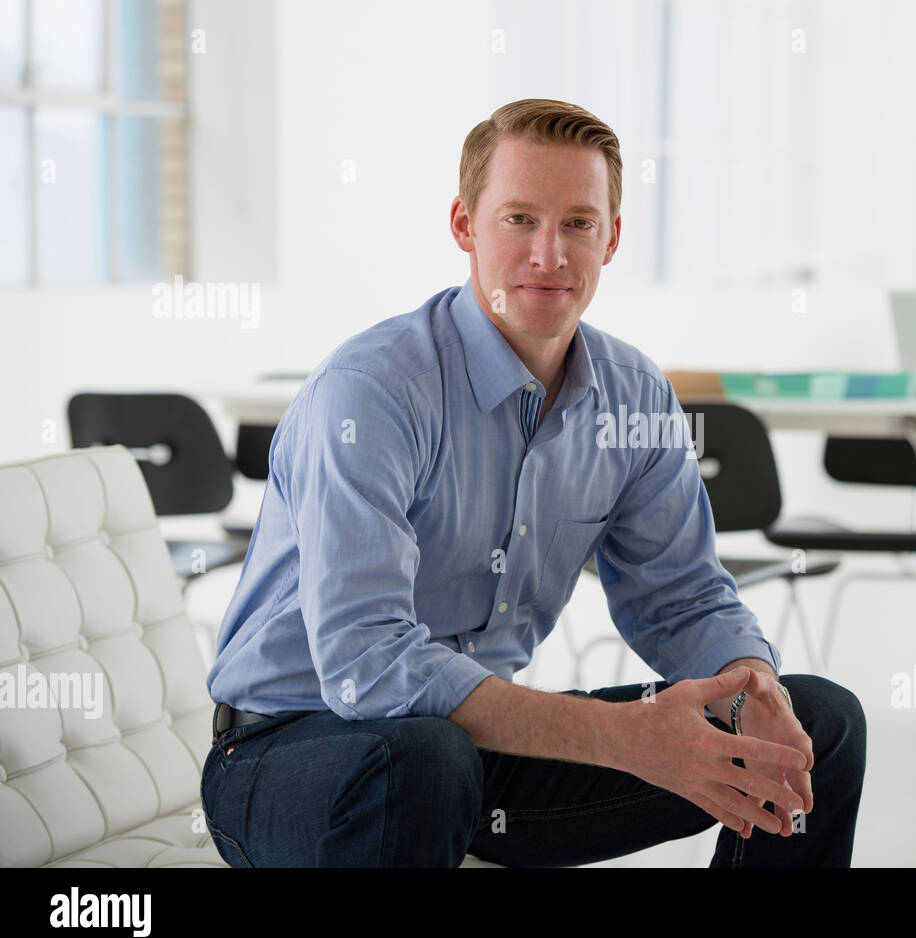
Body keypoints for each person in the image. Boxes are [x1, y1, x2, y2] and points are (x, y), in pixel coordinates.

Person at [202, 98, 866, 867]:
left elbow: (681, 598)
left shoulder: (634, 395)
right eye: (519, 219)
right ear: (464, 226)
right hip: (288, 751)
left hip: (476, 752)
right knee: (424, 757)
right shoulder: (372, 393)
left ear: (610, 237)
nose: (549, 254)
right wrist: (625, 740)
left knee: (819, 725)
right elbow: (368, 663)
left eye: (578, 223)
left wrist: (750, 686)